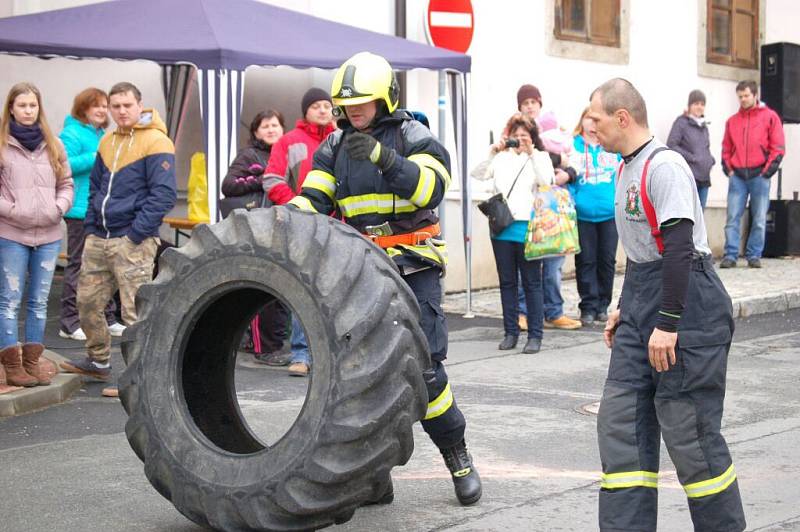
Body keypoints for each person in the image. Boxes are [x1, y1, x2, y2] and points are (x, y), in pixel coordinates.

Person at [288, 51, 482, 506]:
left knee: (426, 371)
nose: (353, 113)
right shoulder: (333, 147)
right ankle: (374, 476)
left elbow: (430, 189)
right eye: (347, 105)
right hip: (361, 274)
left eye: (363, 104)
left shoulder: (415, 134)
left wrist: (384, 158)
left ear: (385, 100)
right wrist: (277, 222)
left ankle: (459, 458)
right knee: (359, 379)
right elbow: (313, 199)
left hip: (414, 265)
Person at [589, 78, 745, 532]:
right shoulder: (625, 168)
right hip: (643, 299)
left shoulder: (665, 166)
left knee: (689, 435)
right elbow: (640, 250)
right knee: (621, 426)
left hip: (689, 308)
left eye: (595, 118)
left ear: (622, 117)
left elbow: (678, 250)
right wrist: (625, 306)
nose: (590, 127)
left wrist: (667, 323)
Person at [60, 82, 177, 398]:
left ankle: (137, 375)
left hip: (133, 240)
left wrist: (137, 234)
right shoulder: (107, 141)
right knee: (87, 304)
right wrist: (91, 226)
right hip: (100, 237)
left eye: (128, 105)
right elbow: (95, 186)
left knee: (134, 314)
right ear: (110, 109)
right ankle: (97, 362)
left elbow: (164, 194)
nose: (122, 111)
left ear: (140, 105)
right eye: (116, 106)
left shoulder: (156, 141)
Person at [0, 82, 73, 387]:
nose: (28, 111)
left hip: (48, 235)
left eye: (33, 105)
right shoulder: (2, 145)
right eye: (22, 105)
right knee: (9, 300)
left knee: (39, 302)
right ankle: (12, 364)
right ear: (11, 109)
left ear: (39, 108)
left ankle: (32, 361)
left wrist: (58, 207)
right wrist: (14, 210)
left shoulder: (54, 145)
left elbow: (67, 183)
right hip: (12, 233)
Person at [472, 113, 565, 353]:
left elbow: (547, 180)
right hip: (501, 227)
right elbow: (478, 174)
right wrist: (493, 151)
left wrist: (532, 153)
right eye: (516, 136)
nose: (520, 140)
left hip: (527, 228)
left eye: (525, 135)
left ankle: (535, 335)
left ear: (533, 138)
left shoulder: (540, 157)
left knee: (533, 283)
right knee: (507, 283)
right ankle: (510, 332)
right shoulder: (501, 158)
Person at [263, 88, 336, 377]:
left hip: (337, 225)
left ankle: (333, 355)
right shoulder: (288, 142)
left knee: (336, 291)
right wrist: (297, 206)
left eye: (327, 105)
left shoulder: (340, 140)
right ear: (305, 110)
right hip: (300, 225)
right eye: (316, 105)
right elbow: (271, 179)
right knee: (303, 289)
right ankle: (302, 354)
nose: (322, 110)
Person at [222, 109, 290, 365]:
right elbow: (229, 185)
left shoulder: (287, 152)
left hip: (284, 226)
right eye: (265, 126)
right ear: (255, 132)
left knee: (282, 290)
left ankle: (274, 342)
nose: (271, 130)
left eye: (275, 125)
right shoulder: (249, 155)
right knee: (263, 288)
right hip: (257, 227)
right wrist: (262, 179)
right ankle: (266, 349)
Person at [58, 87, 124, 341]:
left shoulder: (102, 134)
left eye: (104, 105)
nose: (101, 110)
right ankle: (69, 322)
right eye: (95, 105)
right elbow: (64, 165)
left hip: (102, 209)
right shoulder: (71, 133)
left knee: (105, 265)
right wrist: (96, 155)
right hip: (78, 210)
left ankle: (107, 318)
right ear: (83, 108)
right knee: (77, 265)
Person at [515, 84, 581, 330]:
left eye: (534, 102)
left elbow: (573, 161)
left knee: (554, 262)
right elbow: (527, 154)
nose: (530, 106)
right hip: (526, 207)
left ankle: (554, 312)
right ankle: (522, 312)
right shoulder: (517, 131)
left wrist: (569, 173)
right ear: (519, 107)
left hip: (553, 207)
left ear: (540, 104)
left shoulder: (556, 131)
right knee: (527, 262)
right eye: (525, 103)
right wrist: (557, 160)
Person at [720, 80, 785, 269]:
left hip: (759, 175)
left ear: (755, 95)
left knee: (758, 218)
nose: (743, 99)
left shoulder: (770, 117)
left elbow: (778, 147)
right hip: (738, 177)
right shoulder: (732, 121)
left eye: (746, 95)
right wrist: (729, 170)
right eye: (740, 96)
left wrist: (766, 172)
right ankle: (730, 255)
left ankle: (754, 255)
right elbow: (726, 148)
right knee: (732, 217)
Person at [569, 107, 620, 326]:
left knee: (607, 260)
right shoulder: (573, 146)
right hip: (583, 214)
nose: (592, 124)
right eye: (588, 119)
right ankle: (587, 306)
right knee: (586, 261)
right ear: (582, 121)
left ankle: (602, 305)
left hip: (609, 213)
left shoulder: (611, 147)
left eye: (596, 119)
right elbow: (567, 177)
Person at [666, 89, 715, 209]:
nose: (699, 107)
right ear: (689, 105)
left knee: (700, 218)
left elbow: (705, 148)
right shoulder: (681, 123)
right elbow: (671, 145)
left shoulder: (704, 126)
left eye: (702, 104)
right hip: (689, 178)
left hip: (704, 178)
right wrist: (692, 158)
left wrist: (710, 160)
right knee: (689, 216)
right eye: (696, 104)